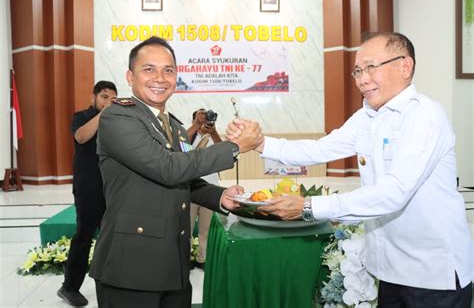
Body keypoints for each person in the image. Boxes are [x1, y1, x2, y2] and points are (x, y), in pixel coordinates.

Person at [227, 32, 474, 307]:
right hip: (391, 271)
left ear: (405, 66)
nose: (362, 79)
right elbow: (320, 150)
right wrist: (261, 143)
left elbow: (394, 193)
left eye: (371, 67)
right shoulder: (368, 117)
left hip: (433, 275)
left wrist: (309, 206)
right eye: (357, 70)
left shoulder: (425, 117)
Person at [88, 36, 262, 308]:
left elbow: (185, 179)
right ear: (130, 76)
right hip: (131, 268)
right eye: (149, 69)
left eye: (168, 70)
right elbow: (166, 169)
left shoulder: (177, 127)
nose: (160, 77)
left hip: (174, 265)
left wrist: (220, 196)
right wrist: (235, 146)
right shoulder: (118, 118)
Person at [57, 81, 117, 306]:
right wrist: (106, 113)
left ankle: (111, 283)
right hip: (88, 188)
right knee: (84, 236)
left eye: (112, 97)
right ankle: (69, 287)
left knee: (112, 238)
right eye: (103, 96)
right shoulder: (81, 117)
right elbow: (81, 137)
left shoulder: (115, 121)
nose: (107, 101)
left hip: (111, 188)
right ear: (93, 97)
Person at [187, 109, 222, 270]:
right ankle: (185, 258)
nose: (204, 120)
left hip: (210, 189)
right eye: (201, 118)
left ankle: (203, 259)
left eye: (207, 118)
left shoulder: (212, 137)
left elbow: (223, 150)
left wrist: (213, 133)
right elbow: (183, 152)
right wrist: (196, 128)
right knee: (186, 227)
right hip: (191, 189)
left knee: (205, 229)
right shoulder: (189, 137)